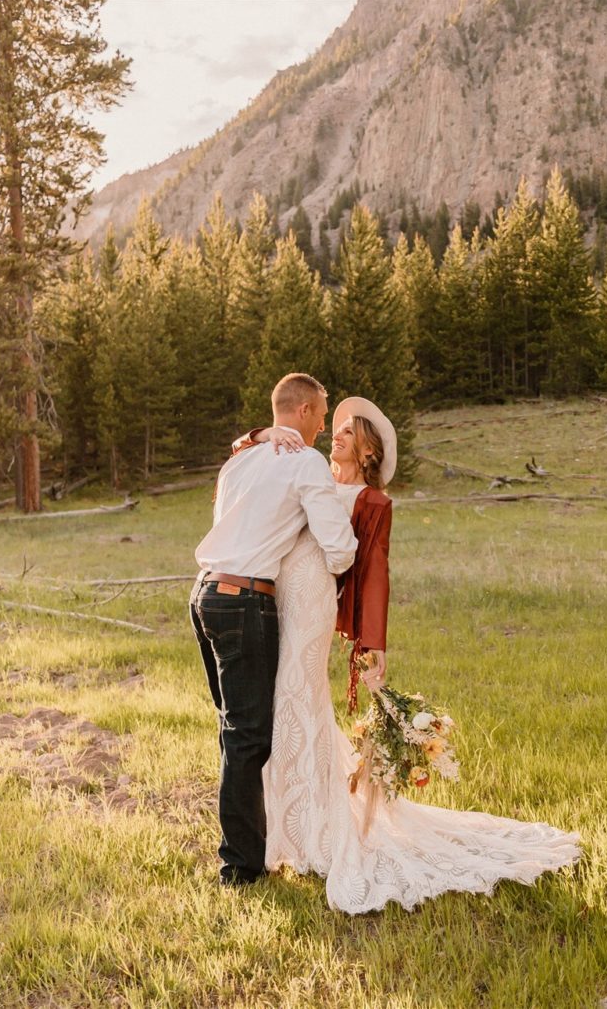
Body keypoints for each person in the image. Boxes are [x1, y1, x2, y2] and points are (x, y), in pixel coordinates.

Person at [246, 397, 581, 914]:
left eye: (348, 432)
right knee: (273, 702)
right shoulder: (299, 463)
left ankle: (310, 827)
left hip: (312, 604)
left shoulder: (371, 503)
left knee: (297, 699)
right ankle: (286, 818)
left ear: (368, 450)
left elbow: (374, 570)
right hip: (274, 596)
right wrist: (262, 433)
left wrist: (371, 641)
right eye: (333, 428)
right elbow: (246, 456)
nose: (334, 436)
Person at [192, 373, 356, 887]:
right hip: (244, 602)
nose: (327, 425)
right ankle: (240, 866)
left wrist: (256, 435)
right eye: (324, 413)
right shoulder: (306, 463)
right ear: (304, 410)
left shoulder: (240, 458)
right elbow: (339, 547)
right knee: (248, 738)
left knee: (233, 731)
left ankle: (246, 849)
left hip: (204, 596)